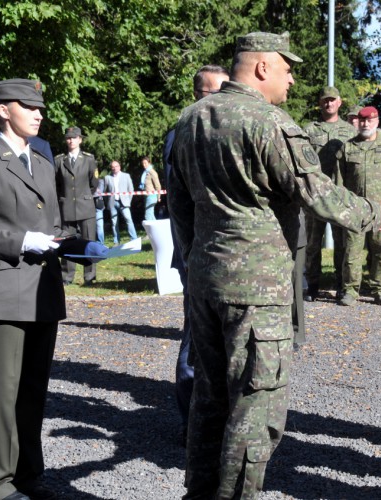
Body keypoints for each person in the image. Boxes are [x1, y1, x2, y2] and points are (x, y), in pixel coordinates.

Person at [168, 31, 381, 499]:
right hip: (256, 289)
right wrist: (380, 214)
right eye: (287, 69)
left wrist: (195, 262)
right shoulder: (268, 123)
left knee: (209, 402)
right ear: (260, 68)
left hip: (206, 282)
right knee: (255, 410)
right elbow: (319, 194)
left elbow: (180, 206)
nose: (292, 80)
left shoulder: (189, 120)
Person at [0, 78, 105, 500]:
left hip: (42, 290)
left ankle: (26, 475)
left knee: (33, 390)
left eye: (41, 107)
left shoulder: (41, 160)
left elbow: (49, 227)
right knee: (1, 393)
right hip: (4, 293)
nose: (39, 113)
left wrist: (77, 244)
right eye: (29, 106)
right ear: (4, 109)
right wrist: (20, 242)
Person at [163, 64, 231, 444]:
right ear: (198, 94)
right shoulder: (183, 133)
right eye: (213, 90)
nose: (221, 96)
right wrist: (189, 252)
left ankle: (216, 419)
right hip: (197, 256)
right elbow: (179, 201)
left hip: (225, 258)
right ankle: (191, 424)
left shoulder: (223, 130)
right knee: (196, 341)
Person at [338, 106, 381, 306]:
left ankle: (380, 290)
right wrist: (342, 208)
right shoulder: (347, 147)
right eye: (362, 120)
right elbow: (338, 182)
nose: (365, 124)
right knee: (351, 251)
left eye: (370, 120)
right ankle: (350, 290)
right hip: (355, 210)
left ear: (376, 121)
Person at [302, 86, 356, 301]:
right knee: (313, 243)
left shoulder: (350, 131)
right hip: (315, 194)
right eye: (325, 100)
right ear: (320, 103)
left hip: (339, 195)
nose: (328, 103)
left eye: (332, 100)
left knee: (342, 243)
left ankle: (342, 284)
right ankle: (313, 285)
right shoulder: (309, 130)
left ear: (339, 103)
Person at [55, 126, 98, 285]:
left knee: (89, 242)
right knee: (67, 243)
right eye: (68, 138)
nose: (71, 140)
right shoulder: (59, 160)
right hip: (66, 207)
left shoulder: (89, 159)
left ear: (80, 139)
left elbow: (94, 183)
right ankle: (67, 276)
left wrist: (84, 196)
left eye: (74, 137)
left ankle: (89, 276)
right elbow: (57, 184)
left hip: (85, 206)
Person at [104, 160, 138, 244]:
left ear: (119, 167)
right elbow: (105, 192)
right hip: (113, 203)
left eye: (116, 166)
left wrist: (128, 201)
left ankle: (134, 239)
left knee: (129, 220)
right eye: (113, 167)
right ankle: (116, 241)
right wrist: (108, 203)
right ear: (111, 168)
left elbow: (131, 190)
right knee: (114, 222)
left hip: (124, 203)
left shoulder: (126, 176)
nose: (114, 168)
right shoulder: (107, 178)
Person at [139, 156, 161, 221]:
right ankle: (156, 230)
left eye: (145, 163)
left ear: (149, 163)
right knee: (151, 215)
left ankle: (150, 231)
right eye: (143, 163)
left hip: (152, 196)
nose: (144, 165)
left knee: (148, 216)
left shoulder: (152, 172)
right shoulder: (145, 172)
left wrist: (158, 197)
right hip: (147, 195)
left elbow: (158, 186)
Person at [94, 176, 106, 245]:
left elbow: (99, 192)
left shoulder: (100, 181)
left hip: (98, 205)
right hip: (88, 205)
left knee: (99, 225)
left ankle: (100, 243)